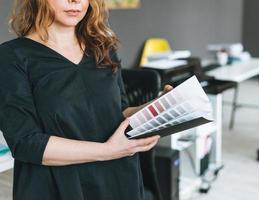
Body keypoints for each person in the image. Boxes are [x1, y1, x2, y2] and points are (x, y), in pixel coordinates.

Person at [0, 0, 173, 199]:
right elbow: (26, 143)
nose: (74, 1)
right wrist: (108, 150)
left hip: (117, 178)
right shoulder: (13, 56)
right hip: (56, 186)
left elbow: (119, 112)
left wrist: (158, 106)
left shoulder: (104, 49)